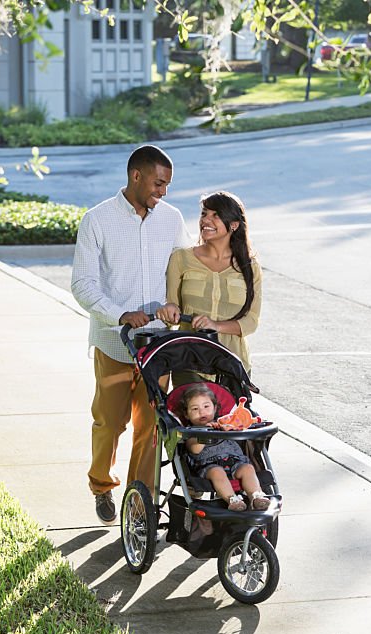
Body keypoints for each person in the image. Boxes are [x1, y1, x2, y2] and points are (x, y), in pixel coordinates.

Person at [71, 145, 191, 525]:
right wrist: (120, 314)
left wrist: (176, 306)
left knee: (152, 426)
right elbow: (82, 283)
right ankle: (101, 486)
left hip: (158, 345)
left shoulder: (171, 219)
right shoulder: (97, 220)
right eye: (159, 183)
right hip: (114, 343)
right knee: (110, 422)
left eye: (168, 185)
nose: (164, 192)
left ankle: (141, 501)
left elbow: (183, 272)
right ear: (135, 176)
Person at [156, 191, 261, 386]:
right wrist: (169, 310)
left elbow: (252, 321)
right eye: (204, 214)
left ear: (234, 225)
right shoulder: (181, 259)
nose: (206, 220)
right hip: (190, 362)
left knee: (231, 417)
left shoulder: (249, 266)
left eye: (215, 215)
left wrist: (216, 326)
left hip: (233, 362)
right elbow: (172, 305)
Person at [181, 384, 271, 511]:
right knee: (217, 472)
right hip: (209, 467)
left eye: (206, 406)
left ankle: (256, 496)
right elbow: (195, 449)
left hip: (235, 462)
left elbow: (241, 426)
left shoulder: (225, 422)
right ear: (186, 414)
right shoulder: (191, 431)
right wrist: (206, 434)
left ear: (215, 407)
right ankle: (232, 499)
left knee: (248, 468)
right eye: (195, 409)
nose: (201, 412)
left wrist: (234, 426)